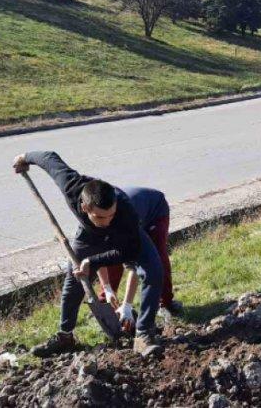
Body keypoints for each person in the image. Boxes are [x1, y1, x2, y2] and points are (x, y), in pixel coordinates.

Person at [13, 152, 164, 358]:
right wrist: (25, 158)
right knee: (73, 281)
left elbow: (127, 252)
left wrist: (92, 261)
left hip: (125, 235)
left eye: (111, 214)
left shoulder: (125, 212)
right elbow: (50, 159)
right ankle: (65, 336)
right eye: (101, 216)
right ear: (84, 207)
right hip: (88, 235)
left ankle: (144, 334)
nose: (108, 220)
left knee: (153, 271)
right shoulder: (72, 187)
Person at [97, 187, 183, 325]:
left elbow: (135, 266)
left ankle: (166, 302)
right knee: (111, 262)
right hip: (135, 209)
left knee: (156, 259)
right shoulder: (98, 223)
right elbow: (100, 260)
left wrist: (127, 305)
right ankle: (106, 305)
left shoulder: (128, 227)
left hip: (155, 210)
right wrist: (107, 289)